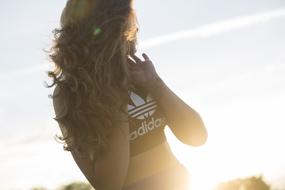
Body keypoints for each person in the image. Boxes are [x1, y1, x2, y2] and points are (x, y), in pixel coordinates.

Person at [48, 0, 208, 189]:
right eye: (122, 28)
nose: (131, 33)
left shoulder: (134, 71)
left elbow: (197, 137)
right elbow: (109, 184)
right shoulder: (70, 92)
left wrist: (156, 84)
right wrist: (116, 99)